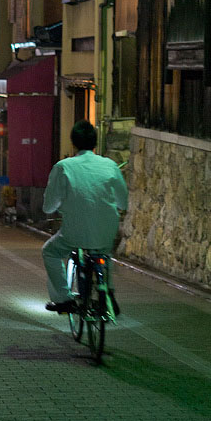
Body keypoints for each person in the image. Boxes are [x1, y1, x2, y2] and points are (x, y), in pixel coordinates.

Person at [42, 120, 128, 314]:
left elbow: (49, 206)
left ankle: (64, 299)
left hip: (74, 232)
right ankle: (108, 293)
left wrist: (61, 205)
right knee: (104, 253)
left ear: (73, 143)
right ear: (95, 143)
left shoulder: (63, 167)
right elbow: (123, 202)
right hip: (106, 230)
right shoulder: (110, 165)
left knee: (50, 252)